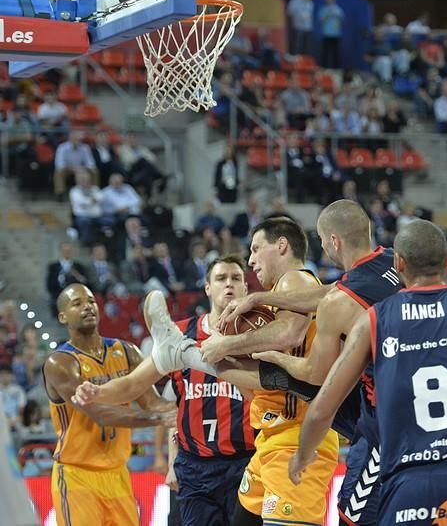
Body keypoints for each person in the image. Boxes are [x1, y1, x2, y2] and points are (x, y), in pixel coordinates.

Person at [290, 219, 447, 525]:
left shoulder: (373, 321)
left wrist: (304, 454)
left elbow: (322, 408)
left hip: (407, 483)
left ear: (398, 263)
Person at [144, 218, 340, 526]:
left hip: (296, 440)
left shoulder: (295, 280)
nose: (251, 260)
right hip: (270, 439)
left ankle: (182, 351)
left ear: (281, 245)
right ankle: (182, 352)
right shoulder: (281, 298)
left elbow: (288, 334)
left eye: (256, 249)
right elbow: (267, 381)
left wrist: (226, 345)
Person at [219, 199, 403, 526]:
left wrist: (269, 359)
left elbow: (313, 374)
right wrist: (262, 297)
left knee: (354, 515)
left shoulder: (333, 296)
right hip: (401, 403)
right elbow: (332, 292)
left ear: (334, 241)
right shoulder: (390, 262)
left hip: (381, 420)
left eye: (321, 239)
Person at [72, 256, 257, 526]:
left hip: (247, 461)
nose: (228, 284)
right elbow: (135, 384)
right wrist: (98, 392)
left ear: (245, 289)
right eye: (220, 278)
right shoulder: (179, 334)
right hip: (196, 466)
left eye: (236, 278)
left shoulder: (256, 334)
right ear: (207, 288)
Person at [42, 284, 176, 526]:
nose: (87, 307)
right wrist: (156, 420)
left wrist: (185, 409)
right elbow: (99, 413)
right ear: (63, 316)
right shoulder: (59, 363)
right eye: (77, 303)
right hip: (77, 476)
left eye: (91, 301)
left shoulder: (127, 351)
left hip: (118, 474)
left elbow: (153, 403)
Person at [319, 0, 344, 69]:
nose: (329, 0)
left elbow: (341, 21)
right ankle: (324, 68)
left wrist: (338, 19)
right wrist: (329, 14)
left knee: (336, 53)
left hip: (336, 34)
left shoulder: (338, 9)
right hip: (326, 34)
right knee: (325, 53)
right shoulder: (323, 9)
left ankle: (337, 69)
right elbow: (321, 21)